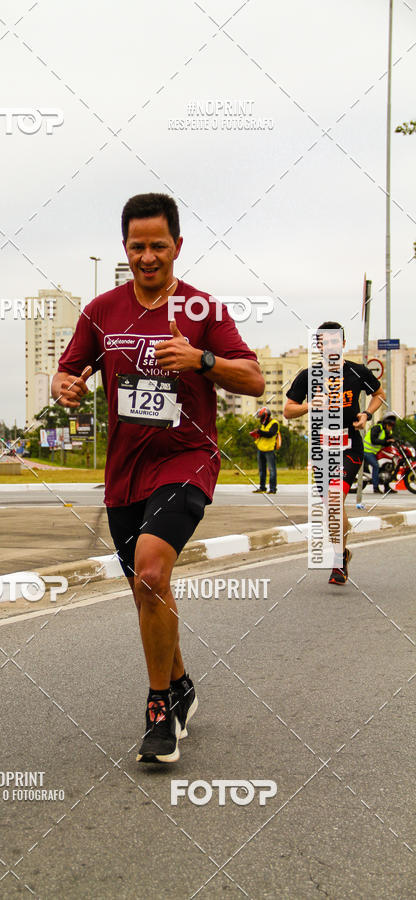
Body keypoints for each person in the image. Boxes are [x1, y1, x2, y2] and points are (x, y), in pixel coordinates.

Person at [51, 193, 264, 764]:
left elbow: (255, 379)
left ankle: (158, 711)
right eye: (137, 246)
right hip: (125, 470)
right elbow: (69, 370)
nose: (147, 257)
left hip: (187, 458)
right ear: (124, 248)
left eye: (158, 246)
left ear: (178, 246)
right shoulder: (102, 310)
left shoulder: (203, 311)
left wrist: (202, 361)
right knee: (147, 590)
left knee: (150, 568)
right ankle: (182, 684)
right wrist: (63, 385)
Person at [284, 322, 385, 585]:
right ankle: (344, 549)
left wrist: (367, 414)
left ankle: (338, 561)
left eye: (334, 341)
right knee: (333, 509)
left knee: (334, 502)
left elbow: (379, 394)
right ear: (319, 346)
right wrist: (309, 406)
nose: (329, 346)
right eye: (324, 342)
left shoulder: (357, 372)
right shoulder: (308, 375)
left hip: (349, 444)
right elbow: (288, 410)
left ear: (342, 344)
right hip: (321, 448)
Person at [363, 413, 397, 494]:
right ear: (385, 424)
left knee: (386, 466)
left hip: (376, 452)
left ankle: (387, 487)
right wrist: (386, 441)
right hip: (367, 451)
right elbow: (373, 440)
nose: (391, 427)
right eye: (390, 425)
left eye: (392, 425)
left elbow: (391, 440)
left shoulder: (388, 431)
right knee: (376, 465)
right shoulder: (377, 428)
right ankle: (375, 487)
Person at [251, 406, 279, 494]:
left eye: (261, 417)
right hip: (261, 449)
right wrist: (256, 434)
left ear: (266, 416)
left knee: (272, 470)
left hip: (269, 450)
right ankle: (262, 487)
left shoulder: (274, 423)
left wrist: (259, 431)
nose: (260, 419)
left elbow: (270, 434)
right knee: (261, 470)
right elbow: (262, 435)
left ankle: (273, 489)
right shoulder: (263, 425)